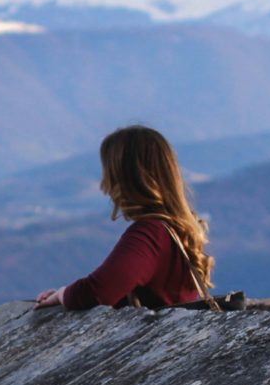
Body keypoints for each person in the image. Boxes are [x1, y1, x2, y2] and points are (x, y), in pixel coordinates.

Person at [35, 126, 214, 311]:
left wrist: (63, 294)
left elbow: (98, 292)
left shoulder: (151, 233)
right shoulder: (179, 227)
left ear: (123, 178)